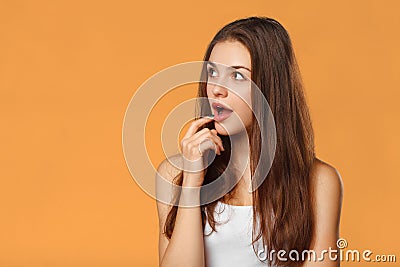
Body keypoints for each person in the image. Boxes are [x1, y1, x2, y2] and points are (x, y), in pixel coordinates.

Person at [156, 16, 343, 267]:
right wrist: (192, 182)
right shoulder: (173, 173)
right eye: (212, 72)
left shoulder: (318, 181)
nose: (217, 90)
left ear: (269, 89)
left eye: (237, 76)